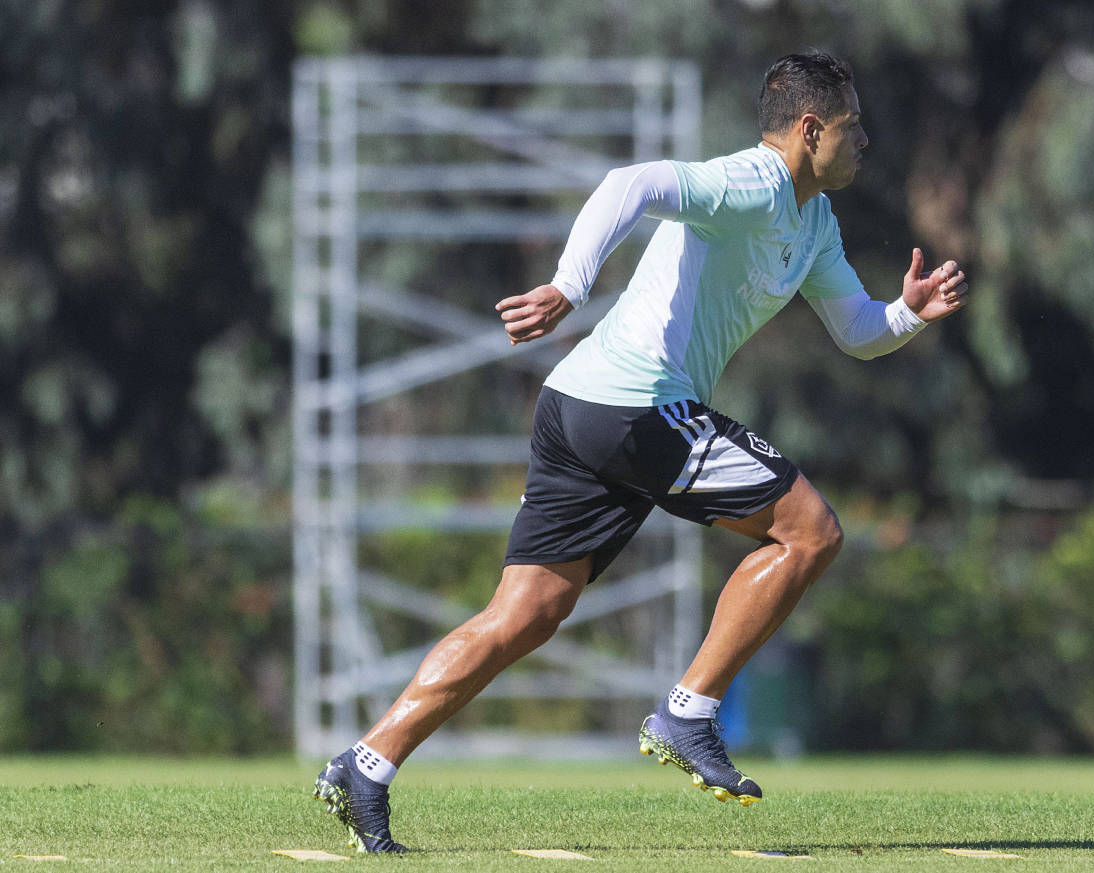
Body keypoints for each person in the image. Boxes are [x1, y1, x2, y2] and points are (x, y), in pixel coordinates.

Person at [312, 50, 968, 853]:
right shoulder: (752, 181)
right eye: (852, 126)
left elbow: (855, 330)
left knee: (525, 613)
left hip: (582, 406)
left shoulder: (814, 220)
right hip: (634, 406)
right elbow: (631, 184)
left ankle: (367, 763)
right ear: (808, 130)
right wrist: (569, 284)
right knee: (811, 531)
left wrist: (907, 313)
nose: (864, 140)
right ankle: (689, 712)